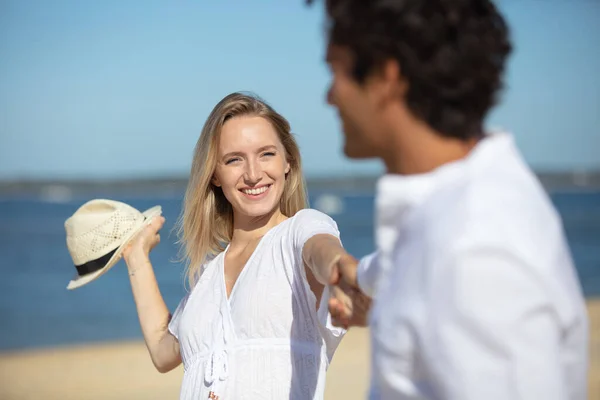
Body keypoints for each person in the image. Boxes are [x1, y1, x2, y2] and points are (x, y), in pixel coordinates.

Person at [306, 0, 590, 399]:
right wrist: (362, 280)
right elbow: (408, 261)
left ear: (387, 77)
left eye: (335, 71)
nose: (329, 97)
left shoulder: (476, 248)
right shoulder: (451, 211)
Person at [122, 92, 348, 400]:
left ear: (288, 163)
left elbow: (322, 251)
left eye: (266, 154)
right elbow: (163, 353)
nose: (253, 174)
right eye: (234, 159)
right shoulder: (208, 273)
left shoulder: (299, 231)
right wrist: (137, 260)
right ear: (214, 174)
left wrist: (343, 271)